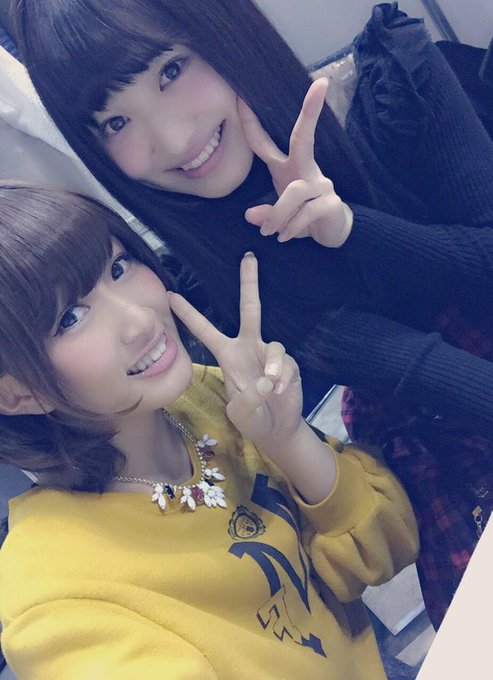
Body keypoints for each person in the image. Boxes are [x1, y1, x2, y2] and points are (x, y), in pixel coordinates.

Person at [12, 0, 493, 625]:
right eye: (115, 122)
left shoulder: (390, 86)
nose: (174, 139)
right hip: (443, 424)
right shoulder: (208, 276)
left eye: (171, 70)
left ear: (222, 29)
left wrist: (351, 229)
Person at [0, 182, 418, 679]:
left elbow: (388, 549)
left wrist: (288, 440)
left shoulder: (204, 396)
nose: (141, 320)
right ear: (16, 394)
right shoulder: (56, 598)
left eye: (119, 267)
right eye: (70, 318)